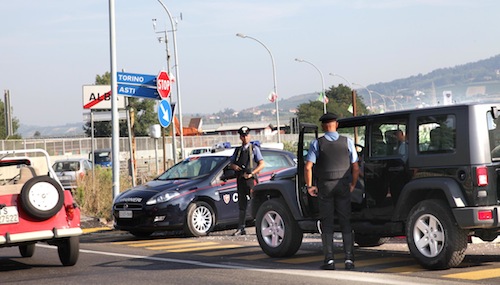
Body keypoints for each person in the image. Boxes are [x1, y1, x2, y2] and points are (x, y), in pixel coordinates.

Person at [304, 112, 359, 270]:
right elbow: (355, 167)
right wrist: (353, 185)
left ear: (323, 126)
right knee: (345, 222)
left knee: (327, 223)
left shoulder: (317, 143)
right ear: (337, 125)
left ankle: (329, 260)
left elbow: (308, 167)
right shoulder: (347, 141)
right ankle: (349, 259)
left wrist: (309, 186)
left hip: (325, 187)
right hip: (342, 185)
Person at [229, 126, 265, 236]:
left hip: (251, 180)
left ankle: (260, 226)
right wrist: (234, 166)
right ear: (240, 137)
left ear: (249, 136)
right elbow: (231, 163)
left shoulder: (254, 149)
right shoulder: (238, 150)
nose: (245, 138)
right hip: (240, 179)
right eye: (243, 136)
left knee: (256, 202)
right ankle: (241, 227)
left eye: (246, 135)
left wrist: (252, 173)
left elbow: (262, 164)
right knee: (242, 205)